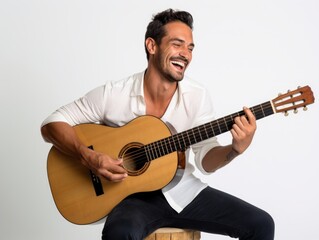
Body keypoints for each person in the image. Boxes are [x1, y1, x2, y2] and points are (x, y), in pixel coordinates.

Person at [41, 8, 275, 240]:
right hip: (131, 200)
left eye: (190, 48)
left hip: (183, 192)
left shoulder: (197, 96)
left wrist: (234, 150)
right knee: (119, 232)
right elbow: (52, 123)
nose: (186, 54)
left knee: (261, 225)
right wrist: (88, 157)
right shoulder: (114, 94)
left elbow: (205, 161)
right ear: (152, 46)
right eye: (177, 44)